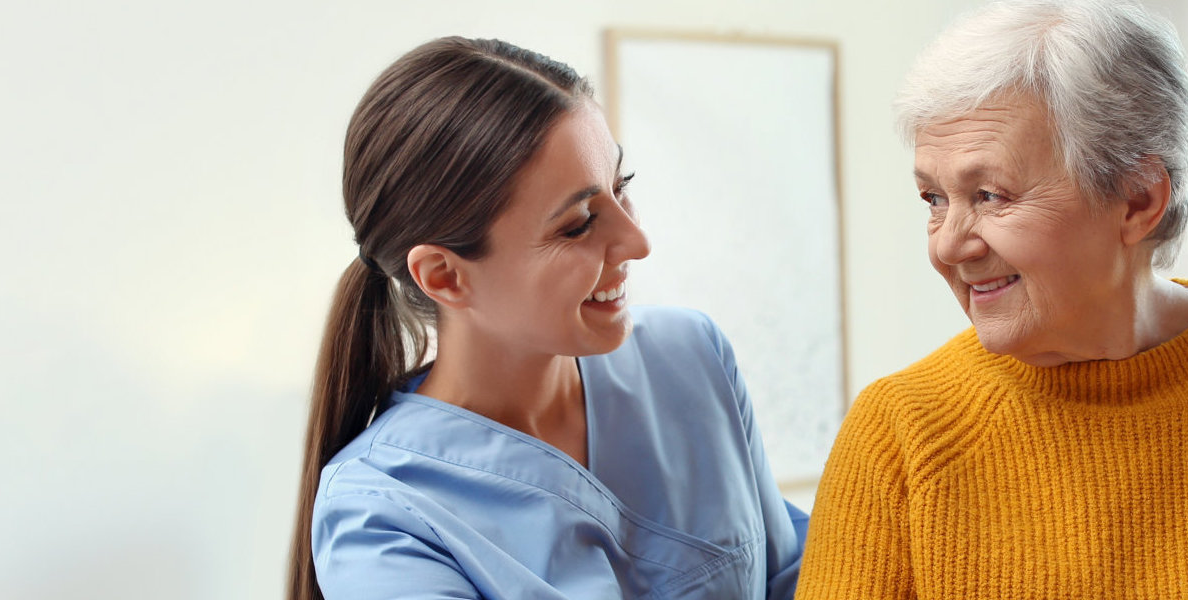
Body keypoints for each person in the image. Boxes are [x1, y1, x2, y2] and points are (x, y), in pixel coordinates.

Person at [799, 1, 1188, 597]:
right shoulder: (898, 434)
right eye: (934, 200)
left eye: (990, 195)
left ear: (1139, 199)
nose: (949, 246)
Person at [284, 37, 804, 600]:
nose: (636, 241)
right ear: (444, 275)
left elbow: (803, 578)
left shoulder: (692, 357)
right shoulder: (382, 514)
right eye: (579, 223)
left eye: (621, 189)